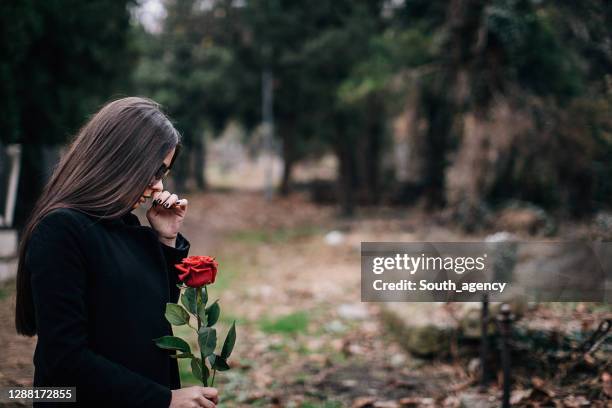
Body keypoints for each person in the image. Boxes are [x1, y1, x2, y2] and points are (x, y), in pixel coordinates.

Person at [14, 97, 218, 408]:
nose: (158, 187)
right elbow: (64, 361)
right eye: (153, 172)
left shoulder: (125, 224)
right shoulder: (61, 229)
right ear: (121, 160)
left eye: (163, 173)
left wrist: (165, 240)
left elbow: (149, 320)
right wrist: (163, 399)